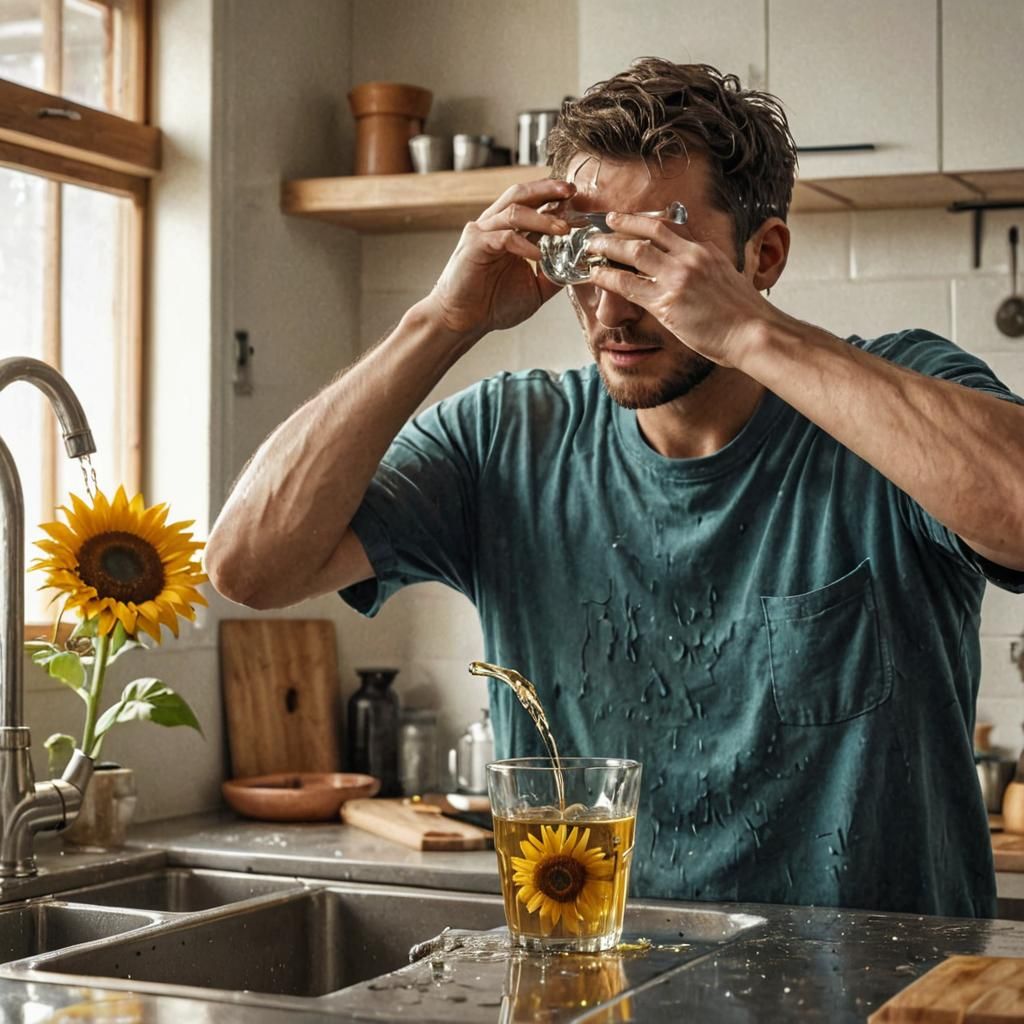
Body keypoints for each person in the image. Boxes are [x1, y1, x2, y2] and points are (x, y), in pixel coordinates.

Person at [206, 58, 1024, 917]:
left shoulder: (898, 394)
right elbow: (248, 566)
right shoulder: (504, 440)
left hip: (874, 1003)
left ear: (764, 254)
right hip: (591, 990)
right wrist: (438, 322)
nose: (612, 305)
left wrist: (750, 331)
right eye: (588, 257)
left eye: (656, 260)